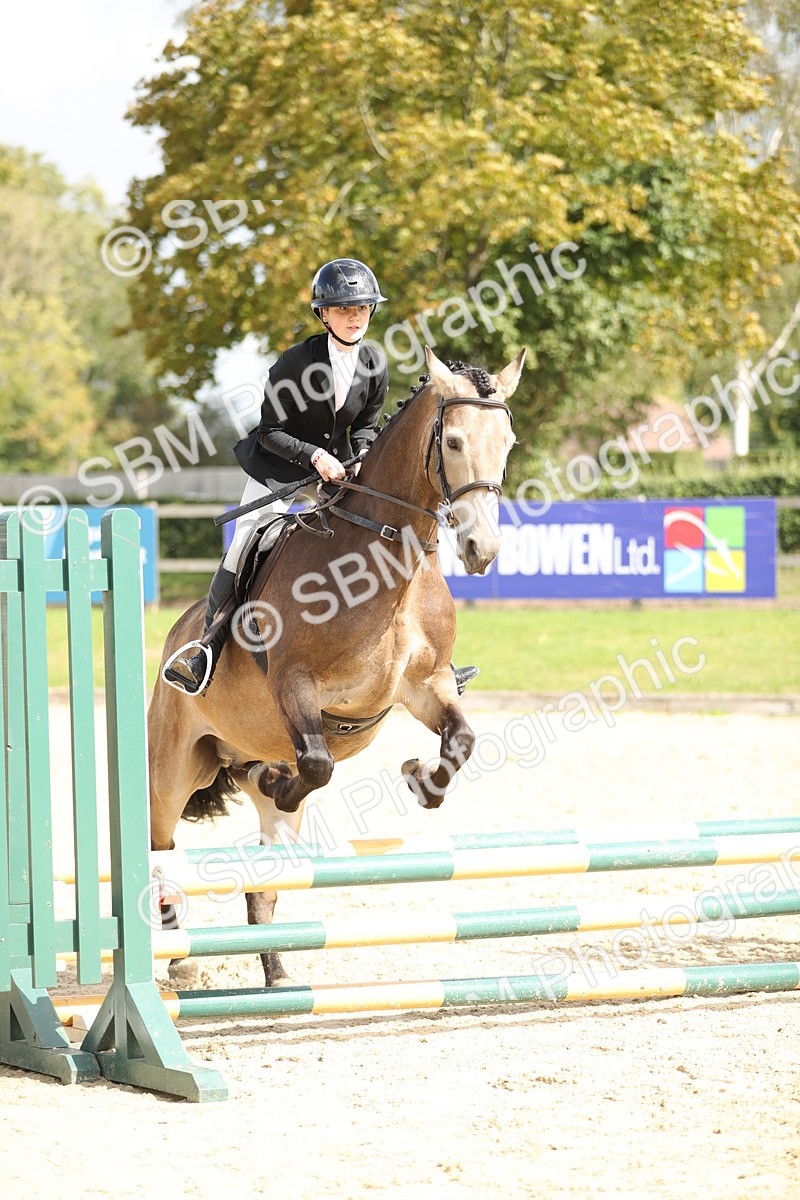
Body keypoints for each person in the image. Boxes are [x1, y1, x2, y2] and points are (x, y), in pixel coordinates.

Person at [163, 257, 479, 697]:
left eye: (362, 308)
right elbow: (270, 432)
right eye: (344, 309)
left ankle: (431, 660)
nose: (355, 317)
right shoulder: (295, 363)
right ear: (323, 314)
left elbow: (365, 427)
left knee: (386, 534)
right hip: (279, 470)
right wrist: (314, 456)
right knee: (244, 543)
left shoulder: (374, 364)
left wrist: (361, 456)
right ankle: (206, 649)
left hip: (339, 472)